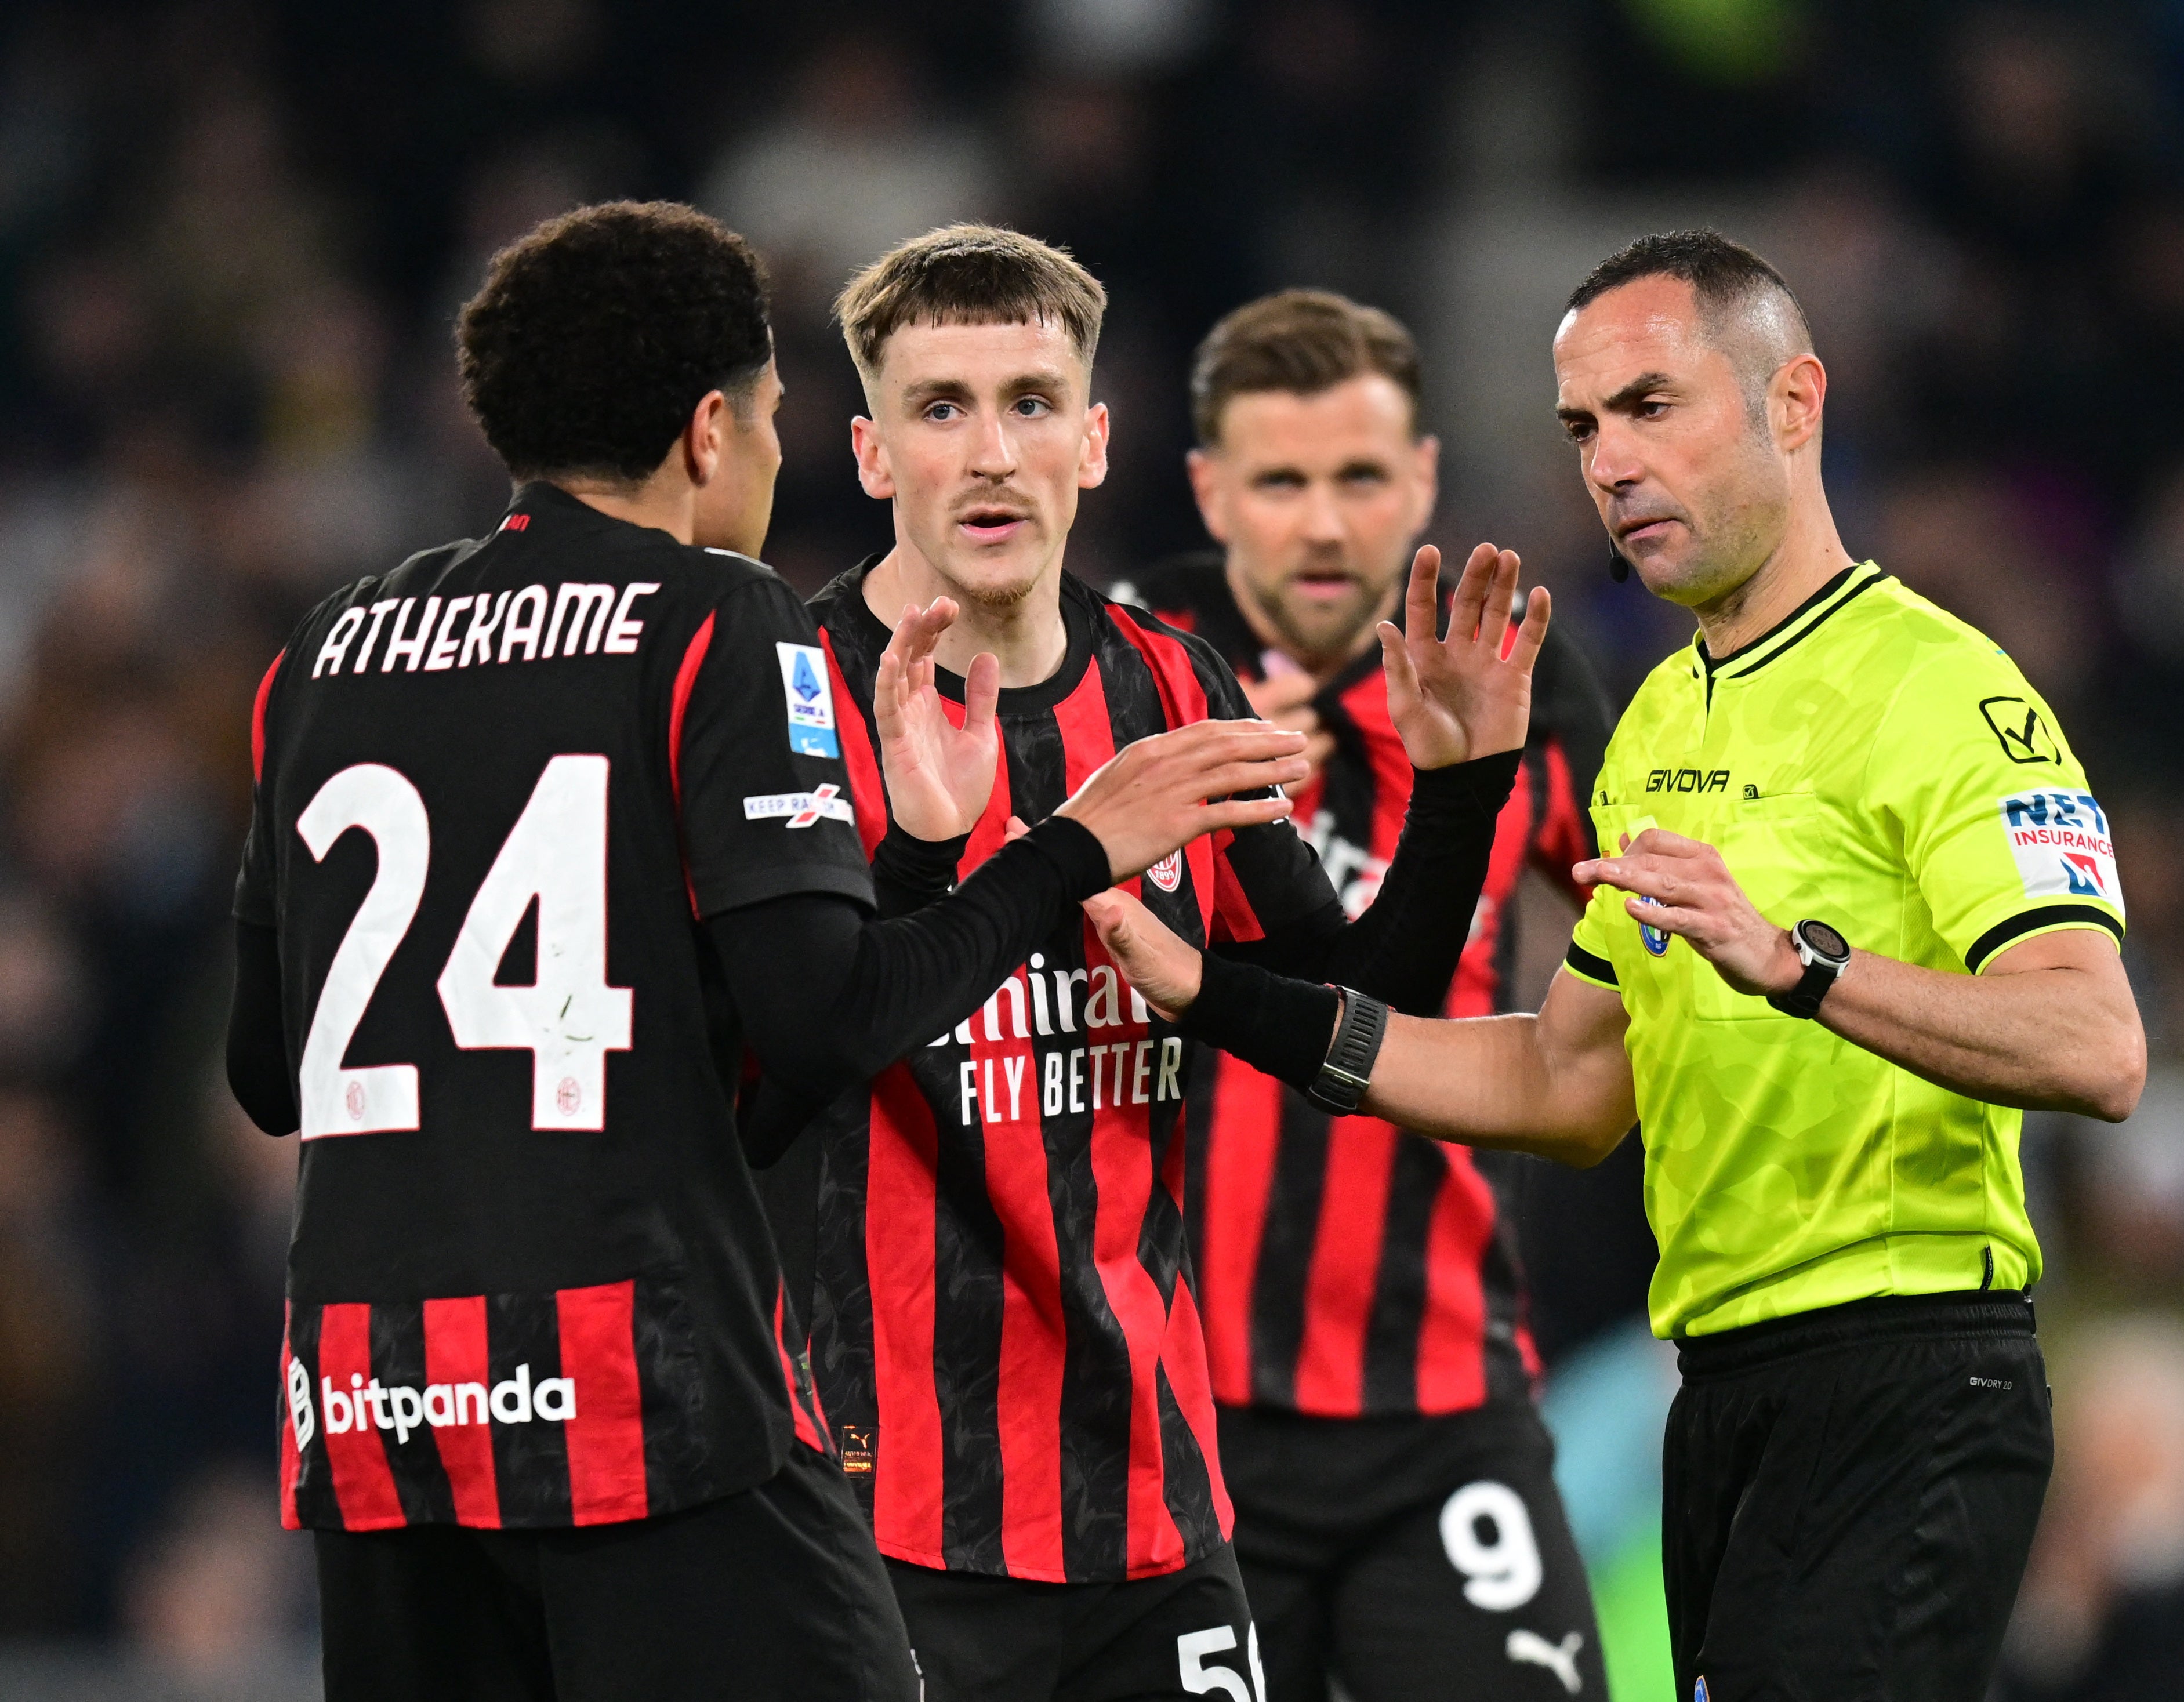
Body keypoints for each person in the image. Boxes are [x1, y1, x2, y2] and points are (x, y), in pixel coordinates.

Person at [222, 201, 1308, 1702]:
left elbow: (268, 1072)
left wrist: (909, 865)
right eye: (784, 418)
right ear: (708, 430)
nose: (783, 455)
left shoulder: (330, 645)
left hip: (369, 1399)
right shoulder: (719, 618)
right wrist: (1064, 851)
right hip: (636, 1389)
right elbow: (824, 1027)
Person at [1081, 229, 2149, 1702]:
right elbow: (1569, 1078)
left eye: (1654, 406)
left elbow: (2096, 1045)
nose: (1610, 464)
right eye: (1584, 426)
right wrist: (1224, 1002)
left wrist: (1800, 967)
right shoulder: (1658, 721)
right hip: (1720, 1388)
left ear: (1794, 403)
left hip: (1910, 1374)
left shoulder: (1942, 689)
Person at [770, 224, 1547, 1702]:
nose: (993, 453)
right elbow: (791, 1052)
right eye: (941, 409)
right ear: (871, 454)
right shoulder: (787, 700)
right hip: (886, 1509)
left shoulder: (1169, 684)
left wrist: (1457, 787)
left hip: (1149, 1496)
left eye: (1031, 402)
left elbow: (1346, 1012)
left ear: (1098, 439)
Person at [1112, 289, 1611, 1702]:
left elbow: (1643, 952)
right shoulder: (1127, 666)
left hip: (1443, 1401)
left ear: (1426, 479)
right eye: (1280, 482)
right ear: (1210, 486)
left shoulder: (1524, 680)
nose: (1324, 527)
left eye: (1360, 479)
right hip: (1171, 1415)